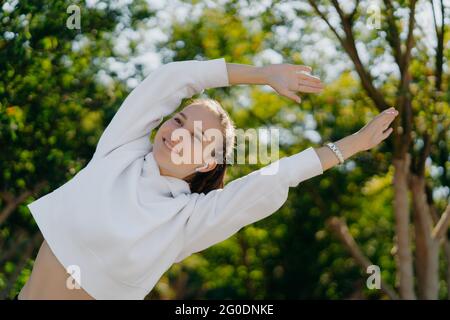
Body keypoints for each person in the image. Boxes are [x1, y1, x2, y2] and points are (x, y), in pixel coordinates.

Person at [18, 57, 398, 300]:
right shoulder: (120, 153)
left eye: (198, 137)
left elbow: (274, 178)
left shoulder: (189, 218)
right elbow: (173, 78)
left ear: (207, 163)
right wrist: (263, 75)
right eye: (179, 120)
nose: (178, 133)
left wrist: (354, 144)